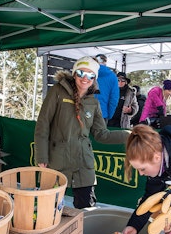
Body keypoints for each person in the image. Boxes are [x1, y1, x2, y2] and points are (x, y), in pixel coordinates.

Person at [34, 56, 131, 208]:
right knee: (50, 208)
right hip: (57, 159)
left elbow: (101, 134)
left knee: (86, 209)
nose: (85, 78)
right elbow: (43, 124)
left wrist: (129, 135)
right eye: (81, 73)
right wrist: (41, 156)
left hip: (83, 163)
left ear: (95, 78)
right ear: (74, 74)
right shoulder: (58, 91)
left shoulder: (93, 101)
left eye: (90, 75)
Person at [94, 54, 120, 121]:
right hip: (103, 113)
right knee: (100, 131)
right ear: (105, 62)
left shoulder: (89, 73)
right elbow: (114, 99)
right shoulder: (113, 77)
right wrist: (109, 115)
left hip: (86, 111)